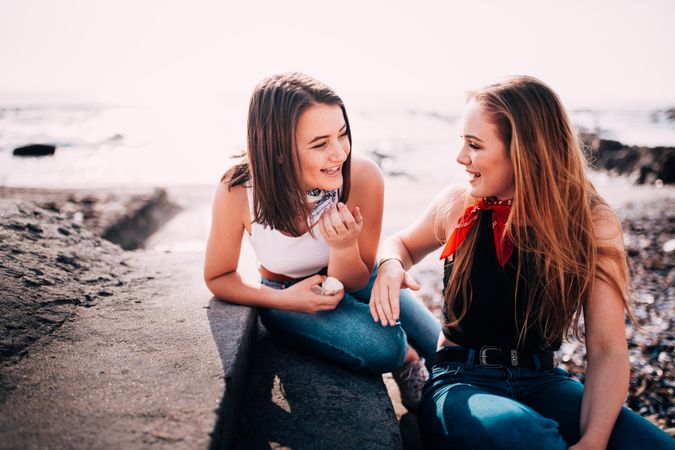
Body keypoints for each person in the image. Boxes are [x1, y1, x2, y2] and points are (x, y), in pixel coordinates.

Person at [371, 76, 675, 449]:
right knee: (529, 437)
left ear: (525, 152)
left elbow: (607, 350)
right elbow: (400, 243)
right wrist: (389, 265)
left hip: (544, 381)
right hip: (461, 381)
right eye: (461, 141)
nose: (460, 157)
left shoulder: (590, 221)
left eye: (475, 145)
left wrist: (594, 440)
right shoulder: (459, 203)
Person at [203, 72, 440, 410]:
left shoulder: (362, 176)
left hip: (355, 273)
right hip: (286, 292)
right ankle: (409, 362)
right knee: (387, 347)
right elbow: (218, 277)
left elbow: (357, 277)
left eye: (342, 135)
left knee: (444, 347)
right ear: (279, 151)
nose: (339, 153)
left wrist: (343, 246)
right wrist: (288, 301)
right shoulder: (239, 189)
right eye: (320, 144)